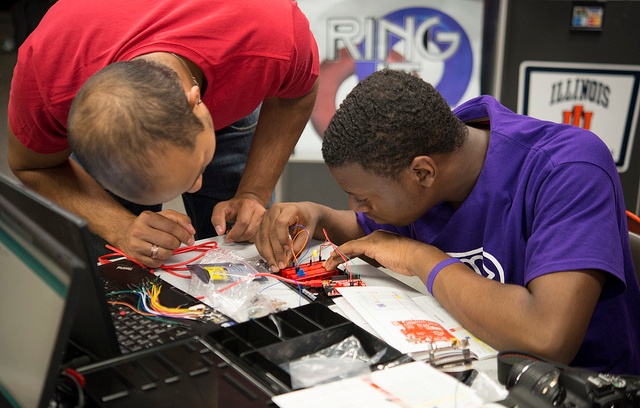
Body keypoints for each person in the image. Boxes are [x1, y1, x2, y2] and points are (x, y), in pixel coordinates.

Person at [255, 68, 640, 375]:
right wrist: (317, 214)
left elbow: (546, 336)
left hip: (583, 394)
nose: (356, 206)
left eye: (364, 197)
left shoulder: (569, 169)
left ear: (422, 173)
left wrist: (419, 257)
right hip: (476, 369)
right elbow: (375, 232)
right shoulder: (432, 154)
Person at [7, 0, 319, 267]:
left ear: (196, 101)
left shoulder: (270, 35)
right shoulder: (48, 73)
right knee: (124, 264)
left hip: (233, 67)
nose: (197, 186)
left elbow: (300, 92)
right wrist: (121, 228)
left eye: (197, 168)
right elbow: (33, 165)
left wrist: (254, 192)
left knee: (246, 243)